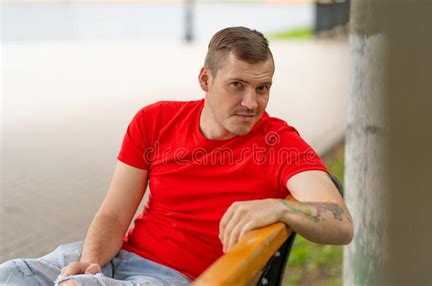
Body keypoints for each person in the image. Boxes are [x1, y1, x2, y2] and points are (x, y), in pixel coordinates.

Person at [0, 26, 353, 286]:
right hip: (110, 259)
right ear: (205, 79)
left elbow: (340, 223)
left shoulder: (280, 144)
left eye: (263, 88)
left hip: (176, 279)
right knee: (12, 273)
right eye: (237, 85)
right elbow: (113, 213)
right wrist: (92, 262)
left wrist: (279, 208)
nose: (252, 102)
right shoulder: (155, 121)